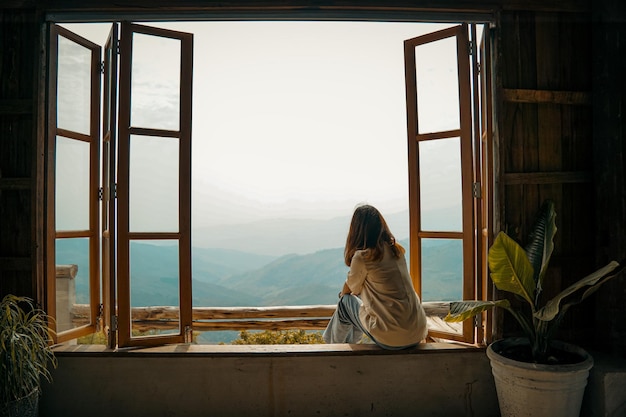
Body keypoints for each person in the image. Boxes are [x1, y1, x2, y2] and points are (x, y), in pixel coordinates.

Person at [323, 204, 428, 349]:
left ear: (357, 230)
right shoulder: (396, 250)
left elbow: (349, 290)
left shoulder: (363, 256)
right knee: (359, 308)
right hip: (417, 331)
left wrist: (342, 294)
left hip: (392, 337)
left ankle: (332, 350)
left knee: (345, 303)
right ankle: (347, 346)